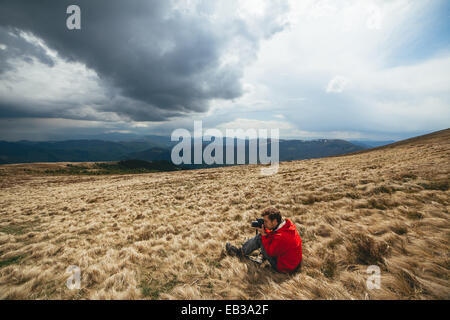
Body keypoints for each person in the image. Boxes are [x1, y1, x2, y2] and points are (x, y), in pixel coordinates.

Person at [226, 207, 302, 273]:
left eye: (266, 221)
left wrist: (263, 235)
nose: (264, 223)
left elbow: (270, 252)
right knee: (265, 236)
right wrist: (266, 233)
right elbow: (275, 236)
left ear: (275, 221)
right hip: (294, 263)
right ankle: (260, 256)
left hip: (284, 268)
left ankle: (240, 252)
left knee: (260, 238)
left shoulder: (281, 237)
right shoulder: (287, 226)